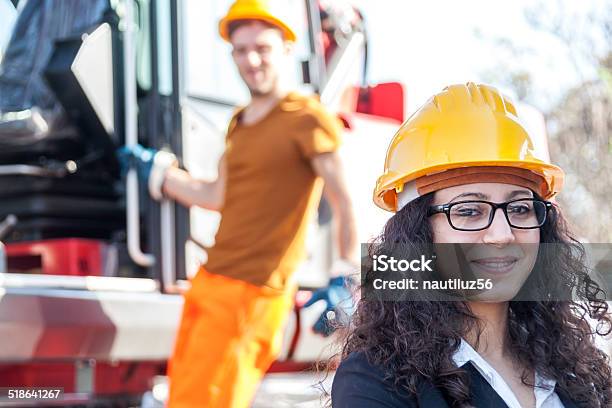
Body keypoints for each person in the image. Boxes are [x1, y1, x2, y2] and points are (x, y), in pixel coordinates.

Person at [120, 0, 359, 406]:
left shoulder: (307, 117)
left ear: (286, 48)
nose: (251, 60)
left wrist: (346, 274)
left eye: (262, 48)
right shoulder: (240, 121)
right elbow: (215, 196)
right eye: (240, 49)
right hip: (209, 284)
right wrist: (161, 174)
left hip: (252, 296)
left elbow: (343, 201)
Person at [331, 83, 611, 407]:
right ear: (419, 235)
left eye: (520, 208)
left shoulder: (571, 368)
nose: (502, 234)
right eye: (468, 211)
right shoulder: (376, 381)